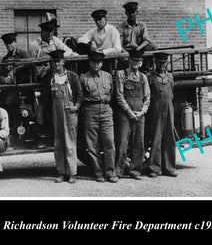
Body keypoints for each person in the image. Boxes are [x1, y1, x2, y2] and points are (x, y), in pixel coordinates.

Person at [42, 49, 83, 184]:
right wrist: (48, 115)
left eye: (59, 61)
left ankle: (72, 173)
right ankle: (61, 172)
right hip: (56, 113)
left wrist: (76, 107)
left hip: (69, 113)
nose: (57, 64)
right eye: (54, 61)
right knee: (58, 143)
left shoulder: (72, 76)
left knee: (70, 143)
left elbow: (80, 94)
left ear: (63, 61)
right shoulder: (50, 77)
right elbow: (46, 98)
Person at [80, 51, 118, 183]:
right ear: (89, 63)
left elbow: (112, 94)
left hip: (106, 110)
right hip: (90, 110)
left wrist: (106, 106)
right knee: (92, 144)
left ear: (102, 63)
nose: (96, 65)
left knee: (109, 142)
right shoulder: (84, 78)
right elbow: (80, 96)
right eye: (93, 62)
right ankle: (98, 173)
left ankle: (110, 172)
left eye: (98, 62)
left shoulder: (108, 77)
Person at [114, 50, 151, 180]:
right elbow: (119, 96)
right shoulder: (121, 74)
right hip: (125, 112)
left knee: (139, 142)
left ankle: (135, 171)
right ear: (129, 61)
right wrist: (129, 112)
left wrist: (141, 112)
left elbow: (147, 98)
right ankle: (118, 171)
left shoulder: (143, 77)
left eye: (138, 61)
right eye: (133, 60)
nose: (135, 63)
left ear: (141, 63)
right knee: (122, 142)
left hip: (139, 113)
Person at [145, 52, 178, 177]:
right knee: (156, 137)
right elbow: (147, 94)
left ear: (167, 63)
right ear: (155, 63)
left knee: (169, 137)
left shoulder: (170, 76)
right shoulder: (150, 76)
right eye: (159, 63)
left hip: (169, 108)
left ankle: (169, 167)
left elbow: (172, 92)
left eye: (164, 63)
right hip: (155, 108)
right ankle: (154, 168)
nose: (162, 65)